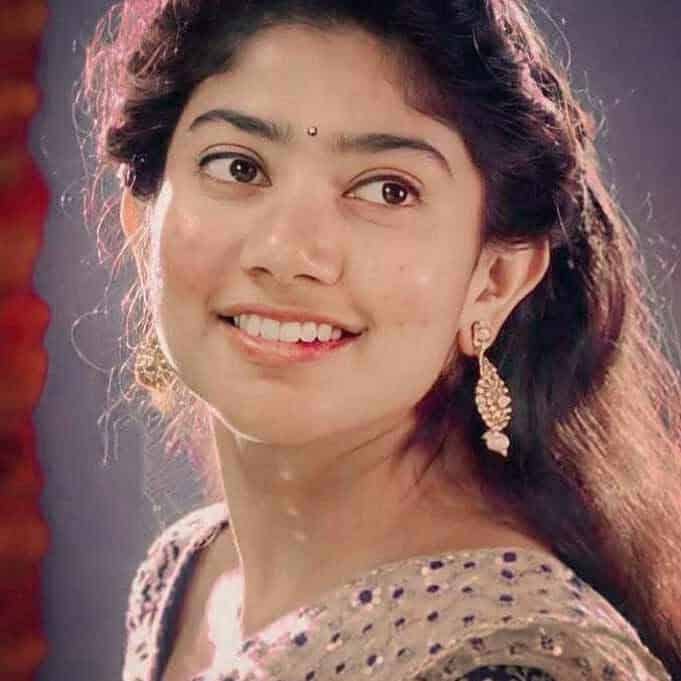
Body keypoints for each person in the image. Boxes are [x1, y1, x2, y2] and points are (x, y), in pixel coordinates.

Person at [78, 1, 681, 680]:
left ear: (494, 280)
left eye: (388, 190)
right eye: (238, 167)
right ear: (143, 225)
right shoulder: (188, 574)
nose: (288, 253)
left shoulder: (516, 659)